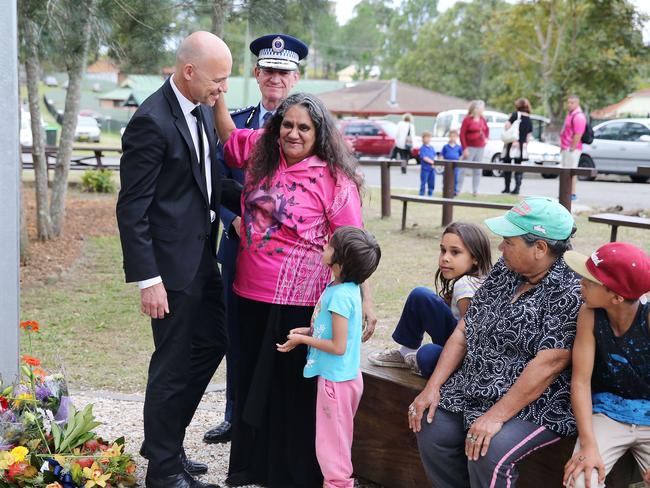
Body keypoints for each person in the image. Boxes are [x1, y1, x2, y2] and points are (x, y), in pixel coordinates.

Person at [213, 91, 377, 487]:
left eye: (304, 127)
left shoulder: (335, 180)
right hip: (250, 291)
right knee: (252, 379)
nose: (294, 133)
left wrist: (366, 301)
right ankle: (250, 468)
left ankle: (293, 474)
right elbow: (230, 135)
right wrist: (218, 95)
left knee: (293, 389)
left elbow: (352, 241)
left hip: (302, 301)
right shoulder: (260, 150)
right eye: (287, 124)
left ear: (319, 133)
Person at [116, 31, 231, 488]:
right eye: (217, 80)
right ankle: (163, 470)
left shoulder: (199, 110)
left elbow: (205, 182)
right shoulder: (150, 121)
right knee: (172, 362)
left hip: (201, 257)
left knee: (214, 340)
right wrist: (149, 279)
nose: (222, 89)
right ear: (188, 72)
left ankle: (163, 439)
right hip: (168, 268)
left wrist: (258, 201)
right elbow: (132, 209)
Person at [409, 197, 582, 488]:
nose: (500, 248)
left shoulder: (570, 288)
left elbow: (549, 364)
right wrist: (433, 386)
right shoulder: (506, 270)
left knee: (488, 450)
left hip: (534, 402)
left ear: (540, 249)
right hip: (473, 385)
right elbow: (465, 329)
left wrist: (495, 416)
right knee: (430, 425)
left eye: (509, 242)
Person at [203, 33, 307, 447]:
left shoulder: (306, 129)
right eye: (269, 72)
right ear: (257, 74)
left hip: (288, 257)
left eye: (283, 72)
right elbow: (218, 178)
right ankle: (235, 415)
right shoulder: (239, 124)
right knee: (236, 332)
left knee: (283, 336)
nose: (275, 79)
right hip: (239, 245)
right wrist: (232, 220)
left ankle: (275, 419)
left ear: (295, 77)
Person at [277, 226, 382, 488]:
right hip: (343, 379)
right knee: (336, 438)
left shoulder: (341, 296)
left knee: (331, 446)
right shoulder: (345, 288)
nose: (325, 247)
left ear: (340, 261)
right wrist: (310, 330)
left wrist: (302, 340)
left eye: (330, 246)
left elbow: (338, 346)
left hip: (336, 384)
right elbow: (337, 333)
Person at [562, 242, 650, 488]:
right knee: (579, 479)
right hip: (607, 414)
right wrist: (588, 445)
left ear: (616, 297)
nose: (581, 282)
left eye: (590, 281)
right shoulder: (589, 314)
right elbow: (580, 381)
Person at [368, 222, 492, 378]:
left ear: (475, 258)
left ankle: (414, 356)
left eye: (455, 252)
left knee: (427, 355)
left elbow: (472, 336)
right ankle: (406, 353)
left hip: (467, 354)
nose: (445, 258)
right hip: (458, 342)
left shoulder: (465, 285)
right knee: (421, 296)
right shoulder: (478, 280)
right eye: (443, 250)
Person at [502, 98, 533, 195]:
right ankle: (517, 188)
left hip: (512, 144)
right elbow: (529, 135)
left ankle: (507, 188)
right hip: (521, 146)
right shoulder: (529, 118)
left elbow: (507, 126)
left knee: (507, 165)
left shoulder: (515, 115)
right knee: (519, 167)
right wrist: (525, 145)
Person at [459, 100, 489, 197]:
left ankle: (475, 190)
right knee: (463, 169)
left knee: (477, 170)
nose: (483, 110)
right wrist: (465, 148)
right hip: (470, 147)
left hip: (480, 147)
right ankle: (458, 189)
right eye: (482, 108)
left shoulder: (482, 119)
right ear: (476, 108)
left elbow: (487, 130)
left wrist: (486, 139)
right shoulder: (467, 119)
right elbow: (462, 134)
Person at [560, 95, 587, 201]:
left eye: (572, 103)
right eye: (568, 102)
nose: (569, 105)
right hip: (565, 148)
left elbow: (578, 134)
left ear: (577, 103)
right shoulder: (570, 115)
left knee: (571, 172)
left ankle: (572, 193)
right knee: (565, 171)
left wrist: (572, 148)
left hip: (572, 149)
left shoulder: (578, 116)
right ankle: (565, 192)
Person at [441, 129, 463, 196]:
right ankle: (445, 190)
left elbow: (461, 155)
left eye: (454, 136)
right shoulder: (445, 147)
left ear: (456, 137)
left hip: (455, 166)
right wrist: (442, 162)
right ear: (449, 137)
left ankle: (454, 191)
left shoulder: (458, 147)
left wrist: (459, 161)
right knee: (446, 179)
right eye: (451, 136)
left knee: (455, 178)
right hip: (447, 166)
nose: (452, 138)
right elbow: (442, 155)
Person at [419, 131, 437, 196]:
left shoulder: (431, 148)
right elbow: (424, 157)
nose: (428, 139)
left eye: (429, 137)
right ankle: (421, 194)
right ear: (423, 139)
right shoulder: (422, 148)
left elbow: (435, 156)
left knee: (431, 182)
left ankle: (430, 194)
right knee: (424, 182)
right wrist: (432, 162)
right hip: (425, 169)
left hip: (432, 169)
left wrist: (435, 163)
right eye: (426, 137)